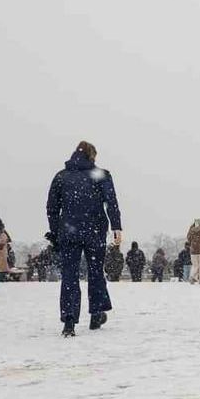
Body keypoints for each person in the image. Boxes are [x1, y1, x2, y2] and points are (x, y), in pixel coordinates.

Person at [45, 140, 124, 337]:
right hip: (95, 230)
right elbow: (111, 202)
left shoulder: (61, 176)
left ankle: (69, 320)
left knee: (69, 276)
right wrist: (116, 227)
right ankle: (96, 312)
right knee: (96, 271)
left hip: (68, 231)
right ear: (92, 156)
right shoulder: (100, 175)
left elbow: (52, 208)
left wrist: (55, 231)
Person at [186, 220, 200, 284]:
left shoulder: (191, 230)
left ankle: (192, 276)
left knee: (195, 265)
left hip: (193, 250)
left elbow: (188, 238)